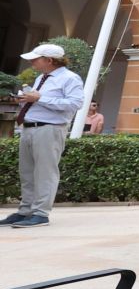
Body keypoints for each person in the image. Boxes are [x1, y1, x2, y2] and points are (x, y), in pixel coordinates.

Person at [4, 44, 85, 229]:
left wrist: (39, 99)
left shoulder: (70, 78)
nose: (32, 62)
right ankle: (26, 211)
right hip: (30, 127)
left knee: (45, 172)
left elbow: (75, 104)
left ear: (49, 60)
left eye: (36, 58)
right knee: (27, 172)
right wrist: (26, 99)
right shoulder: (42, 77)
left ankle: (40, 214)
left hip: (50, 128)